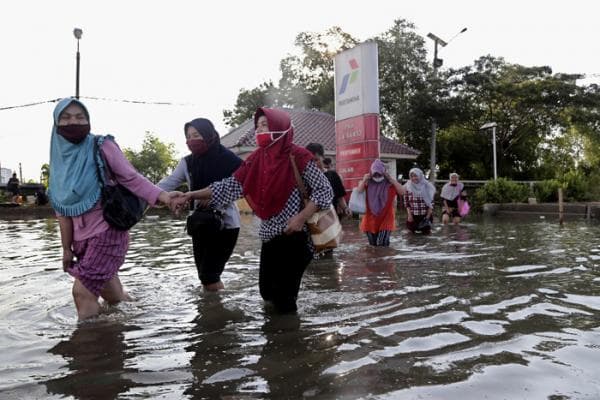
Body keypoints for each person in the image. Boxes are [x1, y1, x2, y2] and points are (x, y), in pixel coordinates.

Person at [172, 107, 333, 313]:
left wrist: (301, 218)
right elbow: (229, 186)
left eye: (265, 125)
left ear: (280, 127)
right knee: (267, 293)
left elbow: (324, 191)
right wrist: (190, 195)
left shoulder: (299, 157)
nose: (259, 130)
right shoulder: (257, 159)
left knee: (284, 300)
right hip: (269, 236)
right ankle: (278, 338)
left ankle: (288, 339)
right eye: (257, 126)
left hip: (296, 237)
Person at [48, 97, 174, 320]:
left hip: (108, 232)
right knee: (113, 295)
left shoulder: (101, 146)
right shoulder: (59, 163)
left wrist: (163, 195)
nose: (73, 122)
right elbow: (62, 212)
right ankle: (141, 317)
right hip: (81, 241)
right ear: (56, 124)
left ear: (89, 120)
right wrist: (66, 249)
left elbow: (131, 178)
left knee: (82, 292)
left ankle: (90, 349)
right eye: (65, 118)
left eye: (80, 117)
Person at [158, 118, 242, 291]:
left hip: (226, 225)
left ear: (208, 134)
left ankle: (216, 314)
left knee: (209, 276)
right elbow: (168, 183)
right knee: (204, 277)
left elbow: (243, 187)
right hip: (199, 225)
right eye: (188, 136)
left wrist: (215, 196)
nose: (191, 140)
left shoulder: (230, 160)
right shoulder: (187, 163)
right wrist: (143, 191)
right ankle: (211, 309)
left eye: (196, 135)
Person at [356, 159, 405, 246]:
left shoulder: (390, 184)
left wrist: (391, 179)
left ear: (384, 173)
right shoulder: (367, 183)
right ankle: (376, 260)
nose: (377, 177)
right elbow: (359, 190)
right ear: (371, 173)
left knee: (383, 245)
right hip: (370, 219)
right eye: (375, 174)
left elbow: (402, 192)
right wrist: (364, 180)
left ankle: (384, 259)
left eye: (379, 174)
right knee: (373, 246)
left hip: (386, 218)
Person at [403, 167, 436, 234]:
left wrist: (427, 217)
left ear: (420, 175)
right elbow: (406, 202)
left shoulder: (427, 186)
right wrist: (409, 215)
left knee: (426, 237)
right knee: (410, 237)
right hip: (412, 216)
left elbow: (431, 203)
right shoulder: (408, 186)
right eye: (412, 176)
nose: (414, 178)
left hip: (425, 216)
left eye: (415, 176)